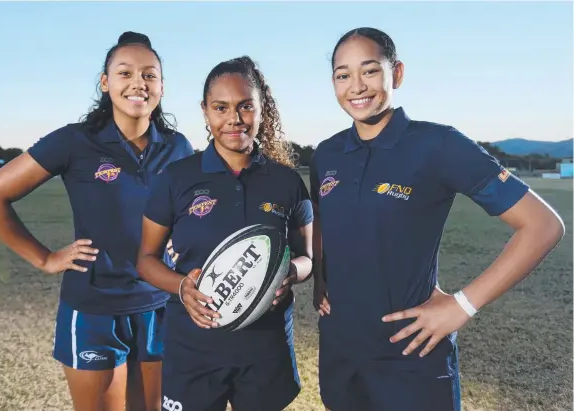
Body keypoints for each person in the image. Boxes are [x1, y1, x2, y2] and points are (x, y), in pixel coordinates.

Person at [310, 27, 565, 411]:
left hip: (411, 359)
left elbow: (543, 226)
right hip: (340, 358)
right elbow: (326, 226)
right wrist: (319, 279)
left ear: (396, 73)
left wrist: (462, 305)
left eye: (370, 70)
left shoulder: (437, 145)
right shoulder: (327, 154)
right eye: (343, 75)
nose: (357, 86)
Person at [0, 31, 193, 411]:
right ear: (105, 83)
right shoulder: (75, 142)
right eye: (125, 73)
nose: (138, 82)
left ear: (162, 87)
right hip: (94, 308)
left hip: (160, 305)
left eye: (149, 75)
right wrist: (44, 258)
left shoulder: (178, 147)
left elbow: (186, 214)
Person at [136, 55, 313, 411]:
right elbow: (145, 259)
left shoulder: (286, 182)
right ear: (205, 111)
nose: (234, 119)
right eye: (221, 107)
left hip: (266, 345)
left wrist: (289, 272)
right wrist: (182, 285)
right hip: (193, 346)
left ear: (262, 109)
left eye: (246, 106)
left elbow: (308, 257)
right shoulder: (176, 178)